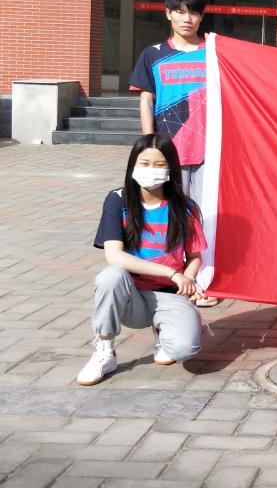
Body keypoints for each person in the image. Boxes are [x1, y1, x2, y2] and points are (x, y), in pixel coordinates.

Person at [77, 134, 208, 385]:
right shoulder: (118, 200)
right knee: (110, 276)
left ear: (171, 168)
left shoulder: (186, 207)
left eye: (159, 165)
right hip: (131, 296)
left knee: (184, 349)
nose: (151, 170)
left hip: (169, 294)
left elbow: (194, 257)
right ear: (133, 165)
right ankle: (105, 350)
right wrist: (171, 273)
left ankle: (163, 330)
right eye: (144, 163)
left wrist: (188, 280)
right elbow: (114, 255)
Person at [129, 0, 218, 306]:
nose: (187, 18)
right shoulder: (153, 54)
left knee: (206, 218)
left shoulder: (215, 53)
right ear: (168, 14)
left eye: (194, 12)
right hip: (169, 152)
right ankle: (174, 277)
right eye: (180, 12)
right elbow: (146, 99)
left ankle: (203, 282)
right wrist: (149, 144)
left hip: (210, 151)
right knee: (174, 215)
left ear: (202, 16)